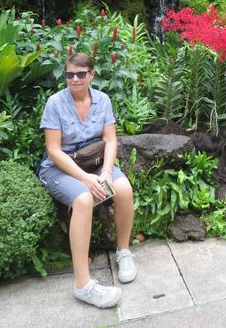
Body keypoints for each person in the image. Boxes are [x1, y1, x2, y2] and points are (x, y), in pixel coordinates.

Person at [38, 52, 136, 309]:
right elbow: (54, 150)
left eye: (81, 74)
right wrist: (85, 180)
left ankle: (123, 252)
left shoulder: (102, 100)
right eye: (70, 74)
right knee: (83, 199)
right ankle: (83, 285)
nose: (75, 79)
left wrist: (104, 173)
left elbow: (110, 140)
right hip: (60, 168)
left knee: (123, 188)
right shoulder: (55, 103)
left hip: (94, 164)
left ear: (92, 74)